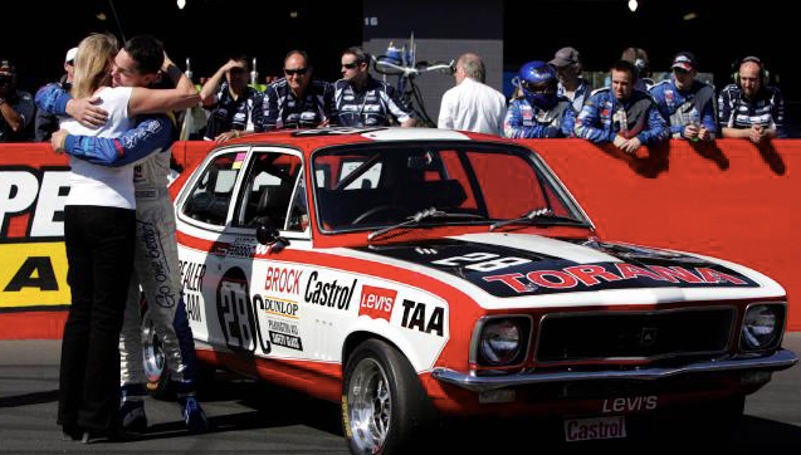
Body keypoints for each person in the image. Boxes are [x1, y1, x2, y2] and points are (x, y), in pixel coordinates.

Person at [38, 35, 209, 437]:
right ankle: (129, 396)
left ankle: (187, 392)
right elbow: (46, 92)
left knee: (165, 306)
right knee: (120, 317)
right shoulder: (97, 100)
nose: (115, 73)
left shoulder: (156, 117)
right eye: (114, 66)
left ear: (148, 77)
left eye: (124, 70)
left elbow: (117, 151)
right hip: (114, 214)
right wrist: (69, 104)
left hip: (148, 217)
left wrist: (68, 138)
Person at [576, 60, 668, 153]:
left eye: (624, 84)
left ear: (633, 83)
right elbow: (579, 128)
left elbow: (663, 129)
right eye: (615, 82)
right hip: (603, 157)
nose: (619, 88)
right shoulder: (599, 99)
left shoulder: (645, 101)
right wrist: (611, 137)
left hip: (638, 158)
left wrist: (641, 139)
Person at [333, 47, 415, 127]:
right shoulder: (337, 88)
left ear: (363, 67)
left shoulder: (384, 89)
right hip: (345, 136)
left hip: (375, 136)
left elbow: (408, 119)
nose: (342, 70)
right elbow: (326, 116)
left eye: (348, 66)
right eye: (342, 66)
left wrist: (397, 136)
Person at [255, 50, 335, 131]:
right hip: (283, 139)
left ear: (310, 71)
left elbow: (333, 124)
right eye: (290, 72)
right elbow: (269, 130)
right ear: (284, 72)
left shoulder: (324, 89)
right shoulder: (274, 91)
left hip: (317, 138)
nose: (295, 77)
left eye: (301, 72)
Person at [649, 52, 717, 141]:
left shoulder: (705, 92)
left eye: (685, 71)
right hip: (667, 145)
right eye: (677, 70)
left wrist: (706, 133)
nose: (680, 75)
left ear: (694, 72)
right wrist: (681, 130)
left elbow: (710, 124)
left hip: (697, 145)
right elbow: (654, 128)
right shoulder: (658, 92)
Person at [718, 56, 786, 143]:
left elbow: (779, 130)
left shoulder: (774, 95)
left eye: (752, 79)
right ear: (737, 78)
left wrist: (765, 133)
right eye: (743, 79)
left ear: (762, 79)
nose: (747, 85)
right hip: (734, 147)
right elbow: (723, 131)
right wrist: (748, 133)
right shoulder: (728, 93)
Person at [437, 53, 506, 135]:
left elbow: (443, 131)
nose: (455, 74)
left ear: (463, 71)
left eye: (456, 70)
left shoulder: (450, 96)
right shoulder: (498, 98)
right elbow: (504, 133)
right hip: (489, 143)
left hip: (460, 143)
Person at [503, 61, 575, 139]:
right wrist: (542, 132)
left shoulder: (565, 104)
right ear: (526, 87)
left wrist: (559, 133)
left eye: (550, 86)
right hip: (527, 147)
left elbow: (570, 131)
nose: (546, 92)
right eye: (539, 88)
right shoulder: (518, 105)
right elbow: (509, 131)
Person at [199, 56, 261, 142]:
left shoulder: (256, 97)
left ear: (248, 75)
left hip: (241, 147)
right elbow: (204, 97)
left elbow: (258, 131)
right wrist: (222, 70)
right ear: (226, 74)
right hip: (212, 147)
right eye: (233, 71)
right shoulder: (220, 93)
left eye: (240, 71)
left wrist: (236, 134)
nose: (237, 76)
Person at [34, 48, 78, 142]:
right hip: (58, 147)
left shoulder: (96, 90)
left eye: (84, 63)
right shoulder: (52, 92)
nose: (80, 67)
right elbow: (42, 131)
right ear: (66, 66)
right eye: (75, 63)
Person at [0, 59, 35, 143]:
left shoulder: (24, 97)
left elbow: (16, 125)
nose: (4, 82)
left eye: (8, 77)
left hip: (14, 148)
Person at [549, 46, 591, 113]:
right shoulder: (551, 92)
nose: (558, 72)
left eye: (563, 68)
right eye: (556, 68)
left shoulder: (591, 94)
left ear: (576, 68)